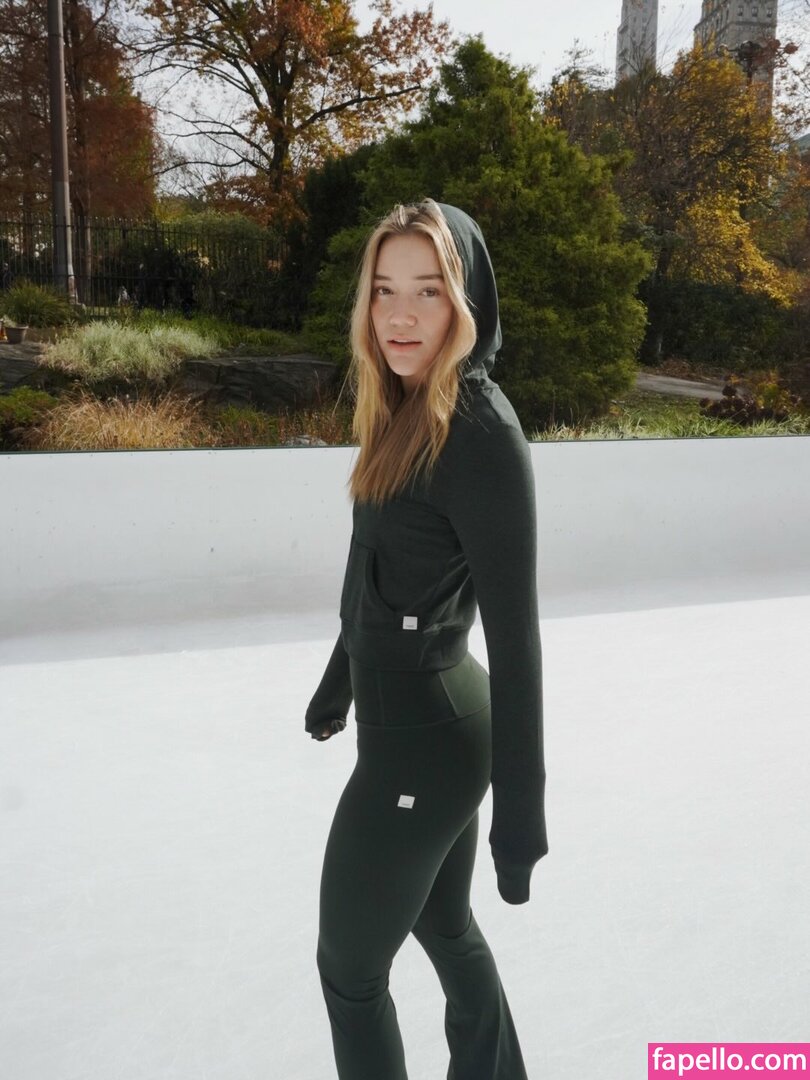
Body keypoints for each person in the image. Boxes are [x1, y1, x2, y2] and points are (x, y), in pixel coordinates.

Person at [304, 198, 547, 1080]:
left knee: (349, 971)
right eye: (384, 289)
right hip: (412, 719)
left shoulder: (479, 434)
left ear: (466, 300)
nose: (400, 315)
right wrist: (340, 676)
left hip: (427, 747)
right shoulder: (403, 402)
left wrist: (521, 817)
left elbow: (517, 643)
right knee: (443, 926)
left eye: (428, 290)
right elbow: (373, 562)